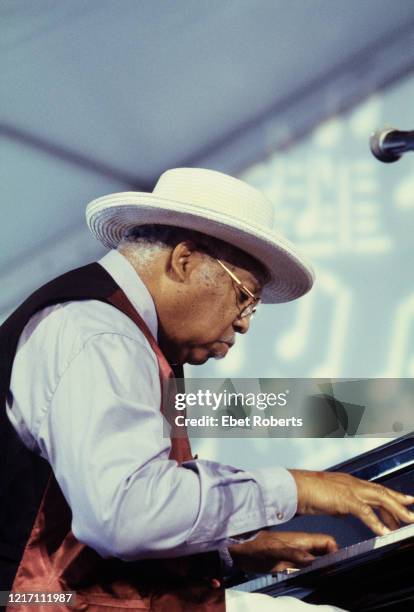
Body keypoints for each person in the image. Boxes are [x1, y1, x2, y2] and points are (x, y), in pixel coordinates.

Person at [1, 167, 413, 612]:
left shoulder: (109, 330)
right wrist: (296, 487)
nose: (244, 323)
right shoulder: (100, 333)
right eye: (244, 297)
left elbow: (91, 514)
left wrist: (229, 550)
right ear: (184, 260)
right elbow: (125, 515)